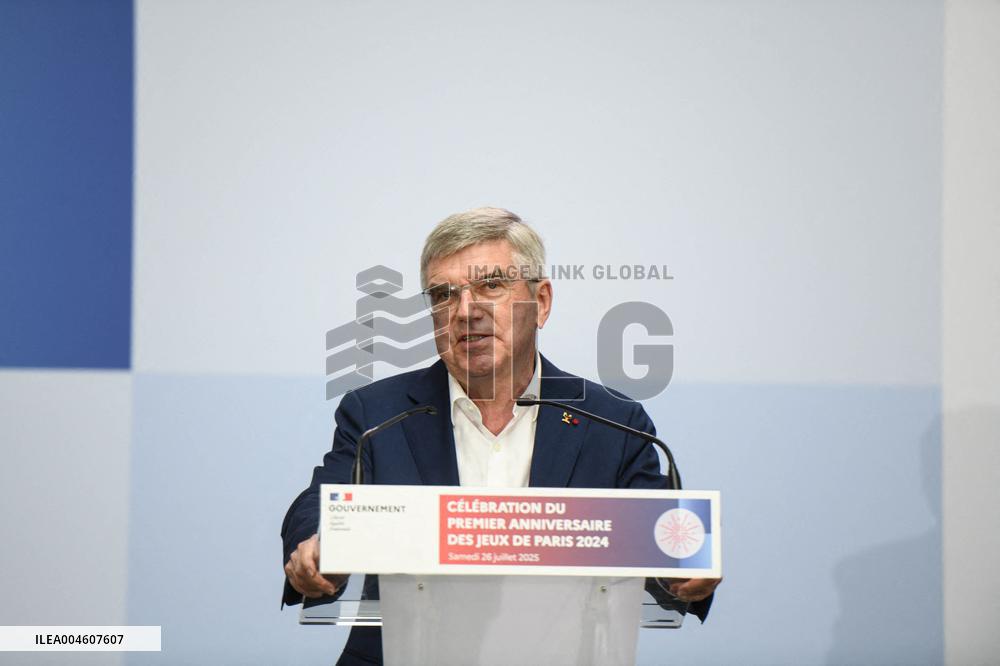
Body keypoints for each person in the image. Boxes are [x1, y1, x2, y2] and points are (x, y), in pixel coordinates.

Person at [281, 207, 721, 665]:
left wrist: (684, 572)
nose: (466, 311)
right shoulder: (378, 414)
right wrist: (315, 544)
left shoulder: (614, 423)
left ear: (541, 302)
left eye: (491, 285)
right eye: (444, 294)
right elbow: (320, 501)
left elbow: (667, 542)